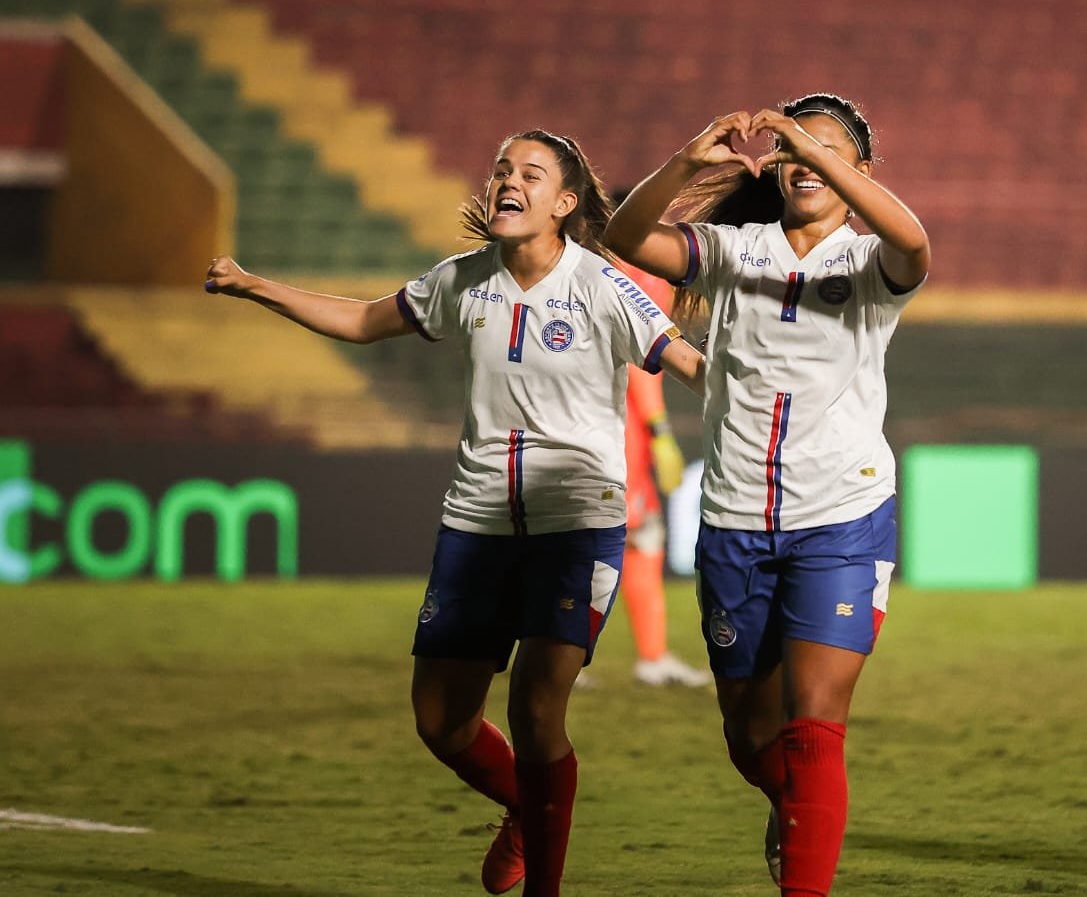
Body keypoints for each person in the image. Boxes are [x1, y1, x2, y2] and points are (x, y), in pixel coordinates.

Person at [205, 130, 703, 897]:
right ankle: (525, 809)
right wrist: (255, 285)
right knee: (441, 721)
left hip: (577, 520)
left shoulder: (602, 285)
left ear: (565, 204)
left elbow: (683, 359)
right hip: (477, 523)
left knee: (538, 710)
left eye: (530, 172)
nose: (507, 178)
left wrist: (758, 390)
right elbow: (368, 319)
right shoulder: (463, 280)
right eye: (503, 167)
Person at [603, 94, 930, 897]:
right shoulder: (730, 249)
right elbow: (622, 238)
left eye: (827, 151)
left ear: (858, 173)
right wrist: (686, 158)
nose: (804, 160)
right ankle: (793, 809)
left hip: (843, 519)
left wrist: (813, 150)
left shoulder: (869, 262)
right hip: (735, 520)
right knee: (751, 738)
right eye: (793, 149)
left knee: (816, 720)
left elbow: (914, 241)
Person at [612, 211, 712, 688]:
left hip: (606, 428)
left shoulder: (596, 268)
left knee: (636, 540)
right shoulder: (643, 274)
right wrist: (659, 431)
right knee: (630, 537)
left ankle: (651, 655)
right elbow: (640, 359)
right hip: (621, 434)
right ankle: (548, 660)